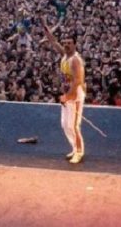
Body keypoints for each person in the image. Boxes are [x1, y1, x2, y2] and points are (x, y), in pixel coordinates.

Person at [43, 20, 85, 164]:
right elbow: (54, 42)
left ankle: (79, 152)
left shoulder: (75, 60)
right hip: (66, 94)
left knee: (73, 125)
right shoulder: (64, 55)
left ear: (74, 44)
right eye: (65, 42)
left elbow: (77, 81)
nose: (66, 45)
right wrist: (46, 29)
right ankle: (74, 148)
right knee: (64, 124)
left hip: (75, 95)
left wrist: (68, 96)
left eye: (69, 43)